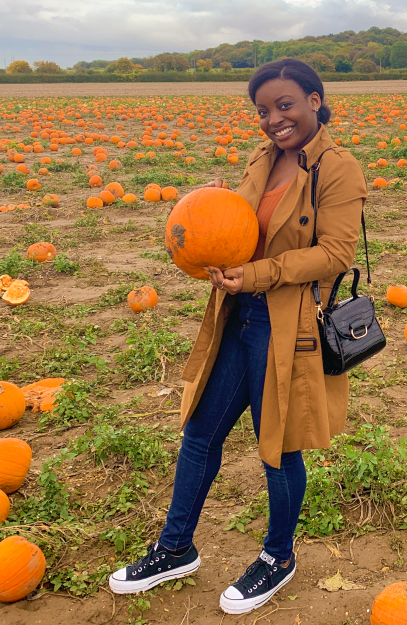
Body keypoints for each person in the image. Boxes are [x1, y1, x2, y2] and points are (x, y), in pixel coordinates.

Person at [108, 58, 367, 614]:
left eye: (284, 105)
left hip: (286, 323)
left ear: (315, 101)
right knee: (200, 433)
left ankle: (278, 557)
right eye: (263, 110)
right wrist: (216, 205)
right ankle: (175, 548)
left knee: (278, 447)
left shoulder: (338, 168)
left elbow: (335, 254)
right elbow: (241, 226)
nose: (274, 119)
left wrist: (256, 274)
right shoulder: (262, 157)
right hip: (237, 314)